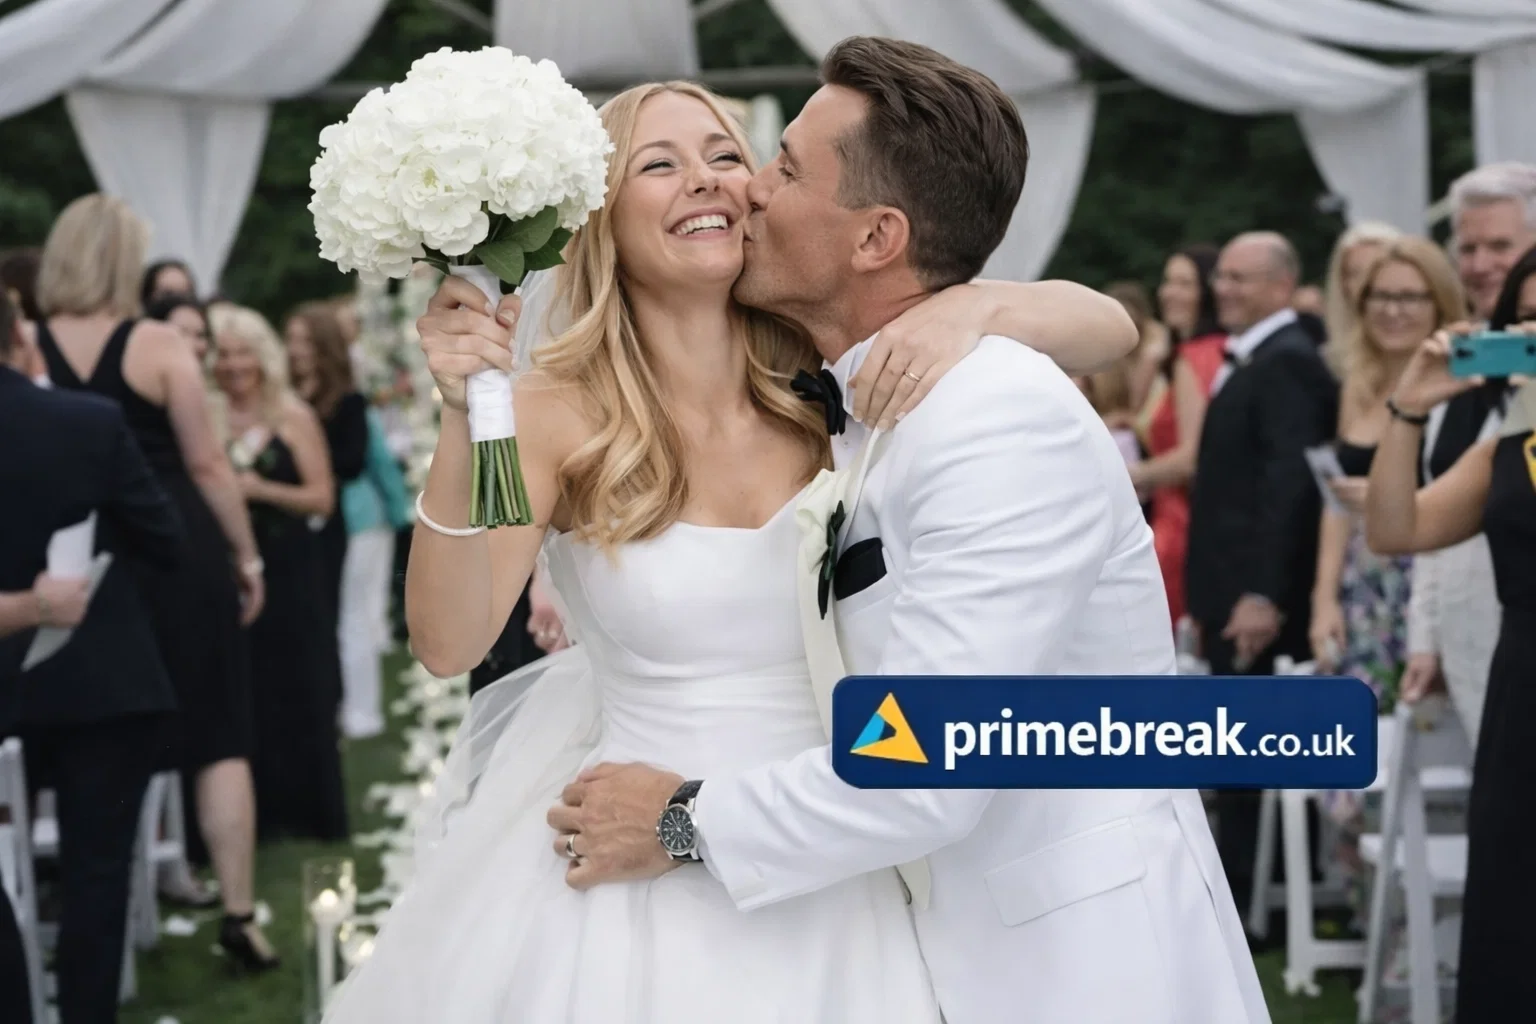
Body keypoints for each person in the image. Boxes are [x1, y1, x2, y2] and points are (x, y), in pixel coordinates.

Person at [323, 59, 1142, 1024]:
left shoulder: (829, 383)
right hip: (636, 875)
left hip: (844, 848)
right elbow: (447, 640)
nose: (708, 180)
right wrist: (469, 414)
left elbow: (1110, 328)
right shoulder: (548, 413)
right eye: (659, 165)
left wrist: (980, 305)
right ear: (600, 217)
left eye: (726, 155)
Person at [551, 41, 1262, 1024]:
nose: (750, 188)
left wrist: (677, 821)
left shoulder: (996, 418)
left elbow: (927, 764)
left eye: (786, 168)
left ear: (877, 238)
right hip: (917, 937)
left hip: (1075, 965)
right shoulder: (859, 392)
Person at [29, 194, 277, 968]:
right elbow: (208, 464)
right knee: (219, 734)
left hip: (68, 556)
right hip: (173, 549)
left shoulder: (27, 343)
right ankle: (238, 913)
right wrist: (247, 557)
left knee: (89, 735)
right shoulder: (160, 344)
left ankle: (75, 892)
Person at [0, 288, 183, 1023]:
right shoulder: (86, 421)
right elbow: (164, 540)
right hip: (95, 678)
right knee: (95, 877)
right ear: (18, 335)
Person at [1363, 312, 1535, 1024]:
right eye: (1528, 318)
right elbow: (1394, 528)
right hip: (1522, 702)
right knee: (1516, 918)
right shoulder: (1511, 442)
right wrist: (1409, 408)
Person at [1183, 231, 1339, 914]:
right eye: (1221, 276)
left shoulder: (1288, 362)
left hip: (1254, 597)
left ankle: (1258, 902)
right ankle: (1252, 896)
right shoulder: (1257, 356)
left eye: (1239, 278)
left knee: (1249, 750)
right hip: (1226, 587)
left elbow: (1289, 487)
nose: (1222, 288)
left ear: (1281, 286)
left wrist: (1262, 593)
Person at [1400, 163, 1536, 741]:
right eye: (1468, 249)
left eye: (1500, 246)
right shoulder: (1457, 362)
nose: (1481, 265)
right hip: (1469, 646)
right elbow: (1429, 512)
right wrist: (1424, 638)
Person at [211, 304, 348, 844]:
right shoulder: (208, 415)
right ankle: (258, 815)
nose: (234, 365)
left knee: (300, 683)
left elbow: (322, 498)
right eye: (224, 354)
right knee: (247, 688)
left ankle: (311, 813)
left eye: (243, 353)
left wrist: (259, 489)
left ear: (262, 357)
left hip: (291, 568)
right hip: (230, 569)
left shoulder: (291, 414)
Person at [1130, 243, 1226, 627]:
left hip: (1177, 523)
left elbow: (1191, 457)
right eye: (1168, 281)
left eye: (1185, 283)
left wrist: (1125, 475)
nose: (1170, 292)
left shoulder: (1195, 357)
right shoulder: (1217, 351)